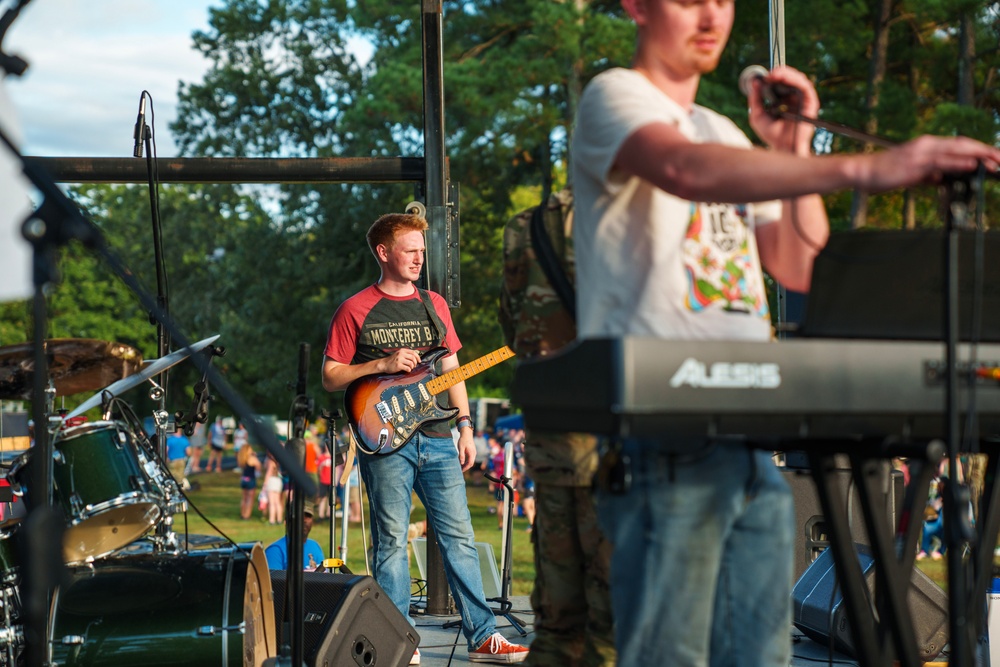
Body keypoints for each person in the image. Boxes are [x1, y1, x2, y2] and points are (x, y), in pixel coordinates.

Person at [570, 2, 1000, 666]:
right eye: (689, 0)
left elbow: (798, 259)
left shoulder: (720, 128)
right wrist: (865, 168)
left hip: (747, 442)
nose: (711, 14)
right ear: (635, 5)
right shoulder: (615, 96)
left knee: (761, 656)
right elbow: (685, 169)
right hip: (664, 435)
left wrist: (792, 149)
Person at [321, 212, 529, 666]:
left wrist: (466, 426)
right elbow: (332, 376)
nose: (420, 257)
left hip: (437, 436)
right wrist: (380, 365)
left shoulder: (434, 303)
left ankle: (483, 637)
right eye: (410, 250)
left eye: (422, 250)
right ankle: (399, 643)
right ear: (384, 253)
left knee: (459, 537)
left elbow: (452, 366)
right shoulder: (354, 308)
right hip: (385, 440)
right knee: (391, 540)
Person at [499, 189, 616, 667]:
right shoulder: (651, 214)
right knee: (612, 630)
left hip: (554, 440)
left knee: (557, 628)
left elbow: (512, 328)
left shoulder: (527, 227)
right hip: (621, 444)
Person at [264, 500, 325, 570]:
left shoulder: (315, 546)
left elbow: (324, 578)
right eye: (299, 515)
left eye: (308, 516)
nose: (304, 520)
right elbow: (273, 580)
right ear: (287, 521)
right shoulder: (275, 551)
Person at [238, 444, 262, 520]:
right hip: (251, 479)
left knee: (244, 498)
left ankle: (242, 513)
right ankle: (247, 515)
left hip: (243, 479)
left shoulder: (242, 458)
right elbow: (259, 466)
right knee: (250, 499)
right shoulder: (252, 459)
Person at [263, 453, 284, 525]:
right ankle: (279, 519)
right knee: (278, 502)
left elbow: (268, 473)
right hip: (278, 481)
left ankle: (272, 520)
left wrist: (265, 484)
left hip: (271, 481)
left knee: (272, 503)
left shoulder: (270, 462)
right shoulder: (279, 462)